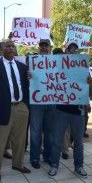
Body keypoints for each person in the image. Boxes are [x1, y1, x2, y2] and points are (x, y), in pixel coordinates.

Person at [0, 39, 30, 181]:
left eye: (12, 46)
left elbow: (27, 87)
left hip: (21, 107)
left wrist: (27, 106)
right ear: (2, 49)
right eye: (7, 46)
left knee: (20, 139)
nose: (11, 48)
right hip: (3, 109)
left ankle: (18, 164)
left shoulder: (23, 67)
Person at [48, 41, 91, 179]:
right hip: (60, 110)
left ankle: (79, 166)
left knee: (78, 141)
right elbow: (47, 79)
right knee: (57, 140)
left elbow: (89, 91)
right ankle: (54, 165)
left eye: (75, 50)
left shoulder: (84, 68)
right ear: (65, 51)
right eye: (70, 49)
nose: (72, 52)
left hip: (78, 112)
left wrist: (91, 84)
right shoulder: (58, 66)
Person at [30, 39, 54, 169]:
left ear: (50, 48)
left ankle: (48, 156)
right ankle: (34, 158)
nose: (44, 48)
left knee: (49, 132)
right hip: (37, 102)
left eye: (46, 46)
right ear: (39, 48)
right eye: (42, 46)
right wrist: (27, 75)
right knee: (35, 132)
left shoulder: (57, 62)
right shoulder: (32, 62)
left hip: (51, 101)